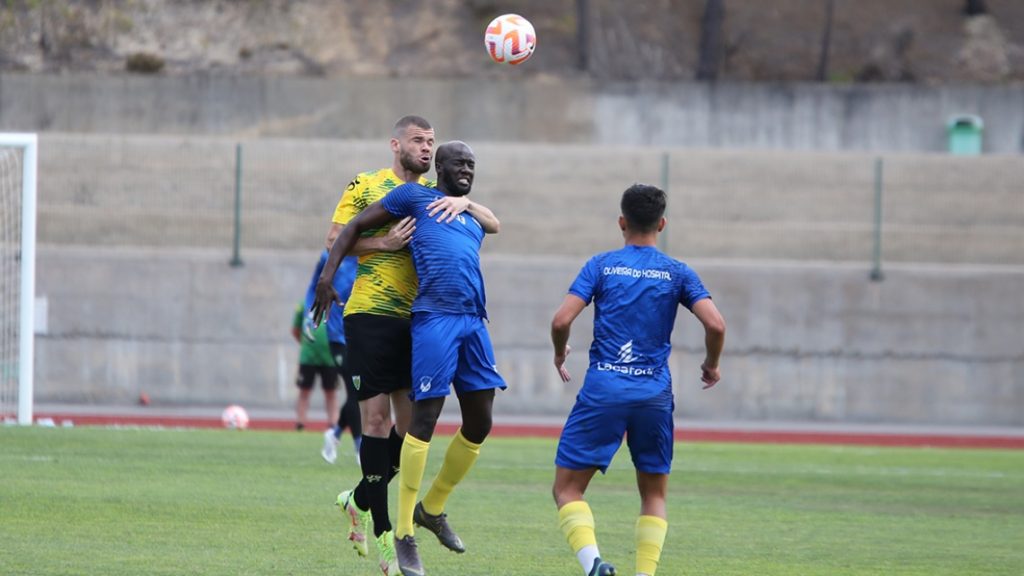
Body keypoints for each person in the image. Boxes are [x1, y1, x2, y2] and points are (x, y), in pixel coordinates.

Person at [312, 141, 504, 576]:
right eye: (459, 163)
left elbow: (496, 223)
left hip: (474, 321)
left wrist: (468, 202)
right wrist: (327, 277)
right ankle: (401, 535)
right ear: (439, 167)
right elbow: (350, 229)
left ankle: (430, 508)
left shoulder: (469, 213)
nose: (467, 170)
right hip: (430, 317)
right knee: (417, 420)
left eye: (472, 165)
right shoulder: (414, 197)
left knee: (481, 421)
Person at [549, 184, 726, 576]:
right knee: (654, 495)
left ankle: (593, 564)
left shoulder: (600, 265)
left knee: (567, 489)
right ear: (662, 224)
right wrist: (712, 364)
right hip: (653, 394)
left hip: (605, 387)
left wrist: (560, 351)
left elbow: (562, 320)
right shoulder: (678, 272)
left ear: (621, 222)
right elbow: (715, 324)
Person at [317, 115, 435, 575]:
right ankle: (385, 538)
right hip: (368, 315)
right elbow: (333, 239)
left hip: (417, 322)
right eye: (418, 140)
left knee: (411, 434)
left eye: (431, 141)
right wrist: (383, 242)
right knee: (377, 422)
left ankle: (358, 498)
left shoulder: (434, 197)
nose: (426, 148)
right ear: (395, 144)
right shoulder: (367, 185)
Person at [299, 250, 361, 464]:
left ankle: (334, 435)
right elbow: (313, 287)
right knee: (354, 390)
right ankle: (360, 446)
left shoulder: (369, 254)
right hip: (338, 336)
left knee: (362, 391)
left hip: (363, 334)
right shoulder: (330, 258)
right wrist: (309, 313)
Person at [290, 297, 339, 432]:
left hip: (329, 358)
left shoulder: (334, 305)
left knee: (331, 392)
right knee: (304, 390)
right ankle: (300, 423)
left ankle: (333, 424)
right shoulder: (303, 304)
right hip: (308, 358)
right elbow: (295, 329)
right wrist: (306, 344)